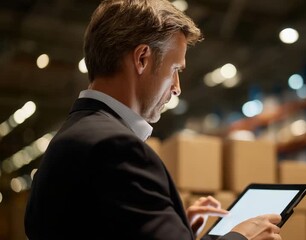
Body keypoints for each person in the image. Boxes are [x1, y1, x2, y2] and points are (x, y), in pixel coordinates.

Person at [24, 0, 283, 239]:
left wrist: (176, 226)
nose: (177, 87)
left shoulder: (70, 138)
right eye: (175, 70)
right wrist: (242, 236)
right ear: (142, 58)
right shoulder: (115, 147)